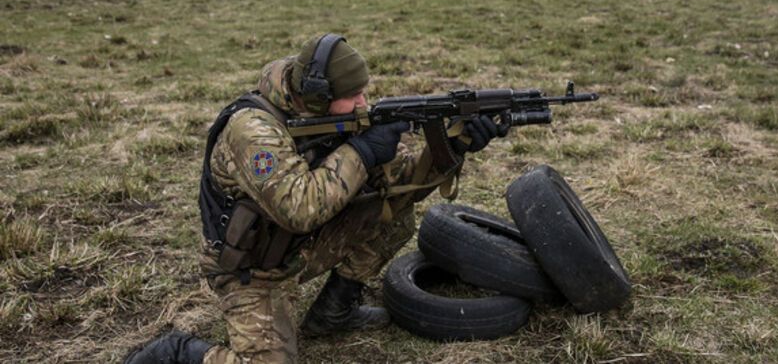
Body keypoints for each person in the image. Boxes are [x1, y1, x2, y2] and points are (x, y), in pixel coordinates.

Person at [124, 34, 507, 364]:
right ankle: (175, 351)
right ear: (318, 97)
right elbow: (299, 209)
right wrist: (360, 153)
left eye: (363, 91)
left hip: (300, 249)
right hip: (253, 269)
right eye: (351, 95)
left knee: (394, 214)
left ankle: (333, 312)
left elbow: (404, 185)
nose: (363, 103)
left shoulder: (336, 116)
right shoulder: (252, 131)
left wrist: (455, 146)